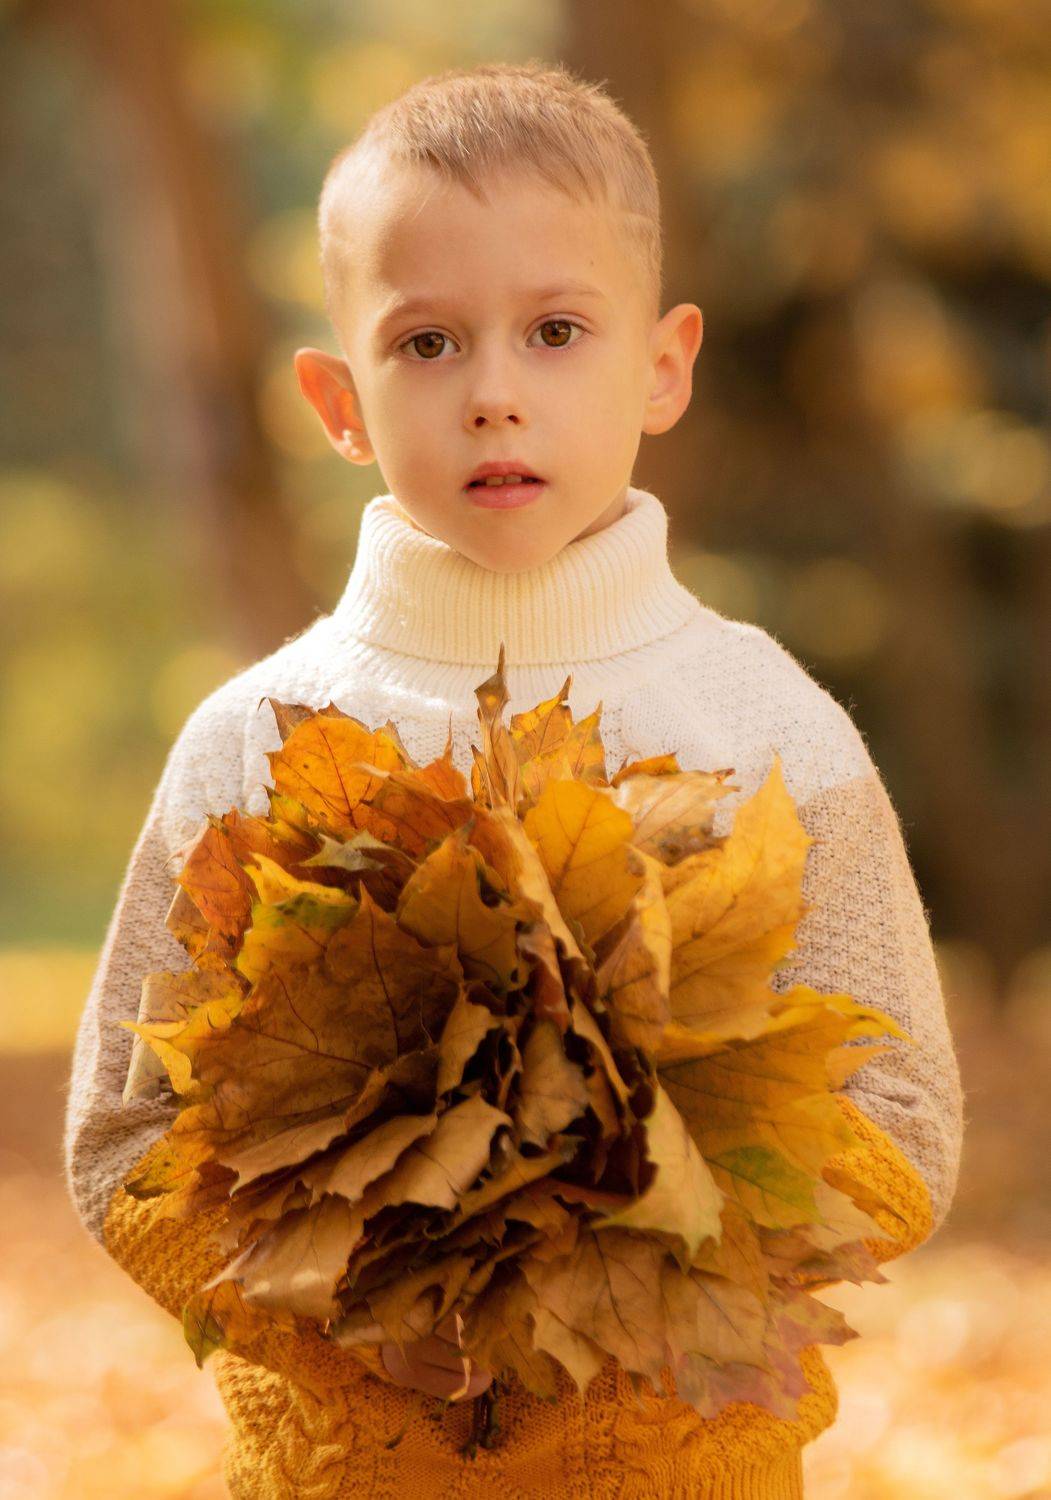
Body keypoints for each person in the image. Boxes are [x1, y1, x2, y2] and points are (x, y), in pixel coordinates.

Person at [62, 59, 966, 1497]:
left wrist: (624, 1258)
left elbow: (902, 1121)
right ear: (334, 397)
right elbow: (124, 1142)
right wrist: (345, 1295)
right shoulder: (253, 741)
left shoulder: (774, 738)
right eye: (426, 344)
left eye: (555, 331)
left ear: (664, 365)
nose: (493, 395)